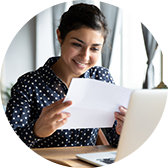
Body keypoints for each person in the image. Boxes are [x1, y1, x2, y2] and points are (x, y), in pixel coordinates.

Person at [5, 3, 127, 148]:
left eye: (94, 48)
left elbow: (115, 143)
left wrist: (123, 132)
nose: (85, 56)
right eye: (77, 44)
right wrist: (35, 131)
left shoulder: (102, 78)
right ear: (60, 37)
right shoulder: (29, 84)